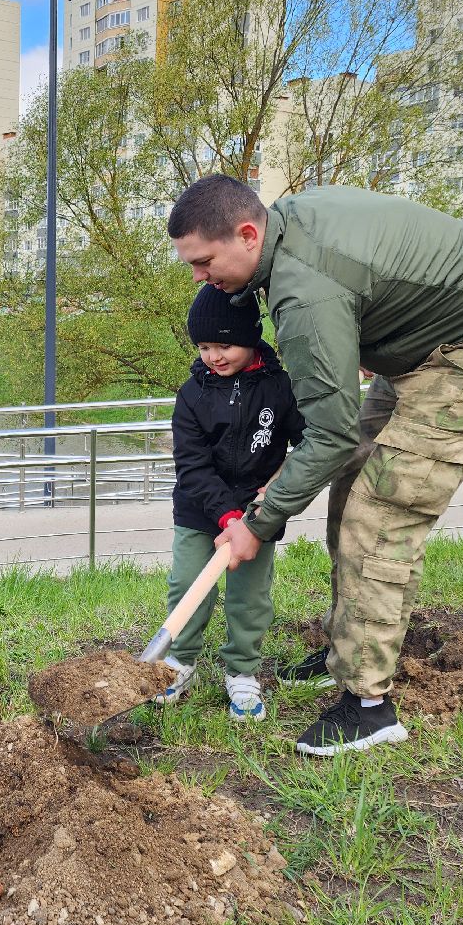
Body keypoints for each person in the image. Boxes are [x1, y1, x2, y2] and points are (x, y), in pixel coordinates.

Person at [168, 176, 463, 756]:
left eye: (203, 262)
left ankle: (369, 707)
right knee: (349, 490)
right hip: (421, 352)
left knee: (380, 515)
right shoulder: (285, 226)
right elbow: (338, 441)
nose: (199, 277)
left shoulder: (303, 294)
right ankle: (344, 650)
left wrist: (258, 522)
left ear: (247, 233)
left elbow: (330, 433)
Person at [156, 284, 304, 720]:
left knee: (250, 598)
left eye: (224, 344)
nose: (214, 357)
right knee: (187, 586)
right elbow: (192, 465)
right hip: (200, 510)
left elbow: (308, 442)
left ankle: (242, 672)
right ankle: (178, 662)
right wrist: (227, 515)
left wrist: (265, 503)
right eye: (204, 346)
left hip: (260, 515)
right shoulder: (192, 394)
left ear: (252, 337)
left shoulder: (280, 388)